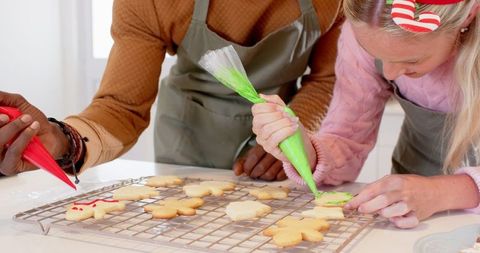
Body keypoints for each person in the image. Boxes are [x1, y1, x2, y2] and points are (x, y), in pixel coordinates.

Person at [0, 0, 343, 181]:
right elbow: (121, 107)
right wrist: (61, 141)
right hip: (187, 141)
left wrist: (292, 135)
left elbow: (328, 79)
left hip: (283, 151)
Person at [252, 0, 480, 228]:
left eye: (412, 60)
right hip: (410, 210)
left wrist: (439, 193)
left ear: (467, 17)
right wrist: (307, 152)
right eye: (378, 57)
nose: (390, 73)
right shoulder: (361, 32)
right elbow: (347, 140)